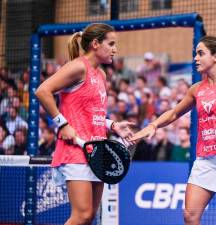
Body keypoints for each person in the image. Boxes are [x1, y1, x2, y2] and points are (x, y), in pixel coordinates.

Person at [129, 36, 216, 225]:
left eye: (201, 53)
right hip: (206, 160)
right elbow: (174, 113)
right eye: (196, 54)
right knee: (190, 216)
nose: (196, 58)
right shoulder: (196, 89)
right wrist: (152, 126)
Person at [35, 23, 134, 225]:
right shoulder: (78, 66)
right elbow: (42, 91)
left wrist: (113, 125)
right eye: (111, 43)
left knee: (89, 217)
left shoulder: (102, 75)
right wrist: (62, 124)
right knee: (80, 216)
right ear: (96, 44)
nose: (115, 49)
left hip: (98, 151)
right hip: (76, 152)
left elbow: (91, 114)